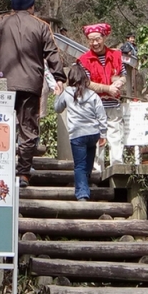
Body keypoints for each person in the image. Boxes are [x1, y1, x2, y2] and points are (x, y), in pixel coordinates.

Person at [0, 0, 67, 188]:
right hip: (30, 84)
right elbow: (52, 52)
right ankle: (23, 173)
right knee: (28, 128)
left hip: (4, 83)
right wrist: (59, 76)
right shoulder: (41, 26)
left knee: (3, 125)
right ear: (32, 6)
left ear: (12, 6)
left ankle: (1, 169)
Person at [53, 63, 107, 201]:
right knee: (88, 162)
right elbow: (101, 114)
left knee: (80, 165)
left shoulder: (67, 93)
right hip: (93, 133)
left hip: (77, 134)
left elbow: (58, 108)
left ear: (70, 78)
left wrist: (58, 95)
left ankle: (82, 194)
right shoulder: (93, 95)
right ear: (84, 78)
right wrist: (103, 134)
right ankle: (85, 183)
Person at [77, 23, 126, 169]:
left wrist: (119, 83)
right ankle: (96, 169)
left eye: (97, 39)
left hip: (113, 103)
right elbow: (86, 83)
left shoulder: (116, 55)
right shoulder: (84, 60)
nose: (95, 43)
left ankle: (117, 165)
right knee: (96, 137)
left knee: (116, 134)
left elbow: (123, 75)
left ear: (104, 37)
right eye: (91, 40)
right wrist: (107, 88)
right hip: (94, 105)